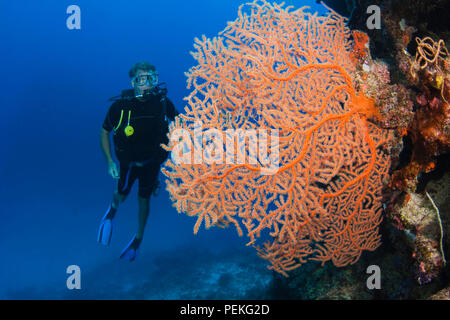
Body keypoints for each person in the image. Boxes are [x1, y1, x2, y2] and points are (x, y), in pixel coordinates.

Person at [97, 62, 179, 261]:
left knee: (144, 200)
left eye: (153, 78)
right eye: (143, 79)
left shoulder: (163, 103)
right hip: (129, 163)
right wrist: (109, 162)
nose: (148, 83)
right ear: (133, 82)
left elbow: (181, 124)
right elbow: (104, 132)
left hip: (152, 162)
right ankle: (112, 210)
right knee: (122, 194)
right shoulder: (119, 107)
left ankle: (138, 239)